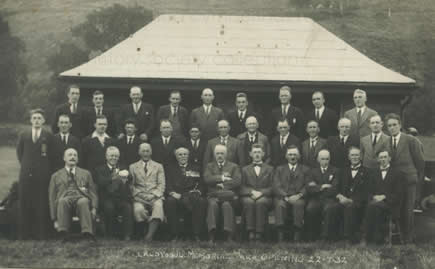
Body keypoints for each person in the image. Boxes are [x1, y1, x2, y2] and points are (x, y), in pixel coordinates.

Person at [385, 113, 425, 243]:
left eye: (394, 125)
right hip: (394, 183)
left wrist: (417, 180)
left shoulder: (411, 140)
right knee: (397, 210)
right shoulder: (386, 142)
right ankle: (397, 238)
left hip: (409, 180)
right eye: (389, 125)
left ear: (400, 125)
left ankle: (408, 240)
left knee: (408, 211)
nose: (392, 128)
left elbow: (419, 162)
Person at [16, 108, 53, 239]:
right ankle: (24, 234)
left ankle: (40, 233)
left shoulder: (48, 135)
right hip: (26, 174)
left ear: (43, 121)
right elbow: (20, 153)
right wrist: (27, 166)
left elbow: (51, 155)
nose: (37, 120)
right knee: (25, 202)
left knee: (40, 203)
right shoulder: (23, 134)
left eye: (39, 118)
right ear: (31, 120)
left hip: (42, 174)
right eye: (34, 118)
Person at [48, 148, 97, 241]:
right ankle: (62, 232)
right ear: (64, 158)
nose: (72, 157)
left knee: (83, 202)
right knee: (62, 201)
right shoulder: (55, 175)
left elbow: (92, 192)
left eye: (75, 155)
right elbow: (52, 197)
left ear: (78, 159)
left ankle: (87, 233)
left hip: (81, 197)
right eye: (70, 155)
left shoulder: (86, 173)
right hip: (65, 198)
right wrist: (54, 218)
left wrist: (94, 208)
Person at [164, 147, 207, 241]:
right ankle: (175, 234)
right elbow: (167, 183)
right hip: (177, 195)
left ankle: (196, 234)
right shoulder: (170, 168)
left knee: (201, 202)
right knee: (170, 202)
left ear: (188, 155)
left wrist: (199, 191)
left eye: (185, 154)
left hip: (191, 195)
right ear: (176, 156)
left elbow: (201, 183)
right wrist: (172, 193)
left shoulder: (196, 168)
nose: (182, 156)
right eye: (180, 154)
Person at [365, 150, 405, 244]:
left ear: (389, 159)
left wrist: (384, 197)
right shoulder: (373, 172)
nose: (383, 159)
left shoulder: (397, 173)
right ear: (378, 159)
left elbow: (399, 194)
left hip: (391, 204)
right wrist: (374, 196)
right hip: (375, 202)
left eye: (385, 157)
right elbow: (368, 190)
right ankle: (375, 238)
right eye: (381, 157)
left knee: (373, 207)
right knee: (374, 206)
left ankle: (372, 238)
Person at [94, 146, 133, 240]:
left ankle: (127, 234)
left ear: (118, 157)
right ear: (106, 157)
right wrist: (113, 178)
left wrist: (126, 177)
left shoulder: (123, 167)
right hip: (106, 198)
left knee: (127, 207)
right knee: (109, 207)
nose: (113, 158)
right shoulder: (100, 169)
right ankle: (110, 234)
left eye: (116, 156)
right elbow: (100, 182)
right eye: (111, 156)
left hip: (120, 198)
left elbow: (130, 179)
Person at [204, 144, 241, 243]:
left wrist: (223, 186)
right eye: (217, 153)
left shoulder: (234, 166)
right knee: (212, 205)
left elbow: (237, 181)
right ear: (214, 154)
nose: (219, 155)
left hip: (226, 196)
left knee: (226, 205)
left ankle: (229, 235)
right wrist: (222, 178)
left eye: (222, 153)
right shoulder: (209, 166)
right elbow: (207, 179)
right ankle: (211, 235)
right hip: (215, 197)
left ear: (226, 154)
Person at [130, 143, 165, 241]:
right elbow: (131, 185)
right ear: (139, 152)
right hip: (139, 197)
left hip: (154, 196)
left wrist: (153, 195)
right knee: (138, 210)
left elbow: (161, 184)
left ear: (151, 152)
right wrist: (140, 194)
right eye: (143, 151)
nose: (145, 153)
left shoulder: (158, 166)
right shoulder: (132, 167)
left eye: (147, 151)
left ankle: (149, 236)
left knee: (158, 207)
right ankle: (143, 231)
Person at [335, 147, 371, 243]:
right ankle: (331, 237)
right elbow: (336, 187)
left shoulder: (367, 172)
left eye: (357, 155)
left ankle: (349, 238)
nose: (355, 157)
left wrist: (352, 200)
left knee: (350, 207)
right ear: (348, 157)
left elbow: (367, 191)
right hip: (343, 199)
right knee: (331, 207)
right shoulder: (343, 171)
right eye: (352, 155)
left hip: (359, 202)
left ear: (361, 157)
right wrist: (340, 196)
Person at [273, 146, 309, 242]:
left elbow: (307, 186)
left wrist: (299, 195)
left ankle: (297, 236)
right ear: (286, 156)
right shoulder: (279, 169)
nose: (292, 157)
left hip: (298, 197)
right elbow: (276, 186)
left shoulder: (305, 169)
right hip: (283, 197)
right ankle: (280, 236)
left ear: (299, 156)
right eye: (290, 154)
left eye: (295, 154)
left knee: (299, 205)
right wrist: (285, 196)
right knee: (280, 205)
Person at [240, 144, 274, 241]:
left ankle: (259, 232)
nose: (257, 154)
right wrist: (251, 192)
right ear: (250, 154)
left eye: (259, 152)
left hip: (265, 196)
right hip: (248, 195)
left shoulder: (270, 169)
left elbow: (273, 186)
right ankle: (250, 231)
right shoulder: (244, 169)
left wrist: (261, 193)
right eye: (255, 152)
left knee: (261, 202)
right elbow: (241, 186)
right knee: (249, 202)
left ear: (263, 154)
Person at [305, 149, 340, 241]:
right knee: (310, 208)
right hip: (316, 199)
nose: (325, 161)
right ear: (318, 159)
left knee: (329, 209)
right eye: (323, 159)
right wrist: (323, 186)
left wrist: (317, 186)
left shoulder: (335, 171)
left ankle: (326, 237)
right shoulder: (312, 171)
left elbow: (335, 188)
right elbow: (309, 188)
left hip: (329, 199)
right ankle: (312, 236)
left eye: (327, 159)